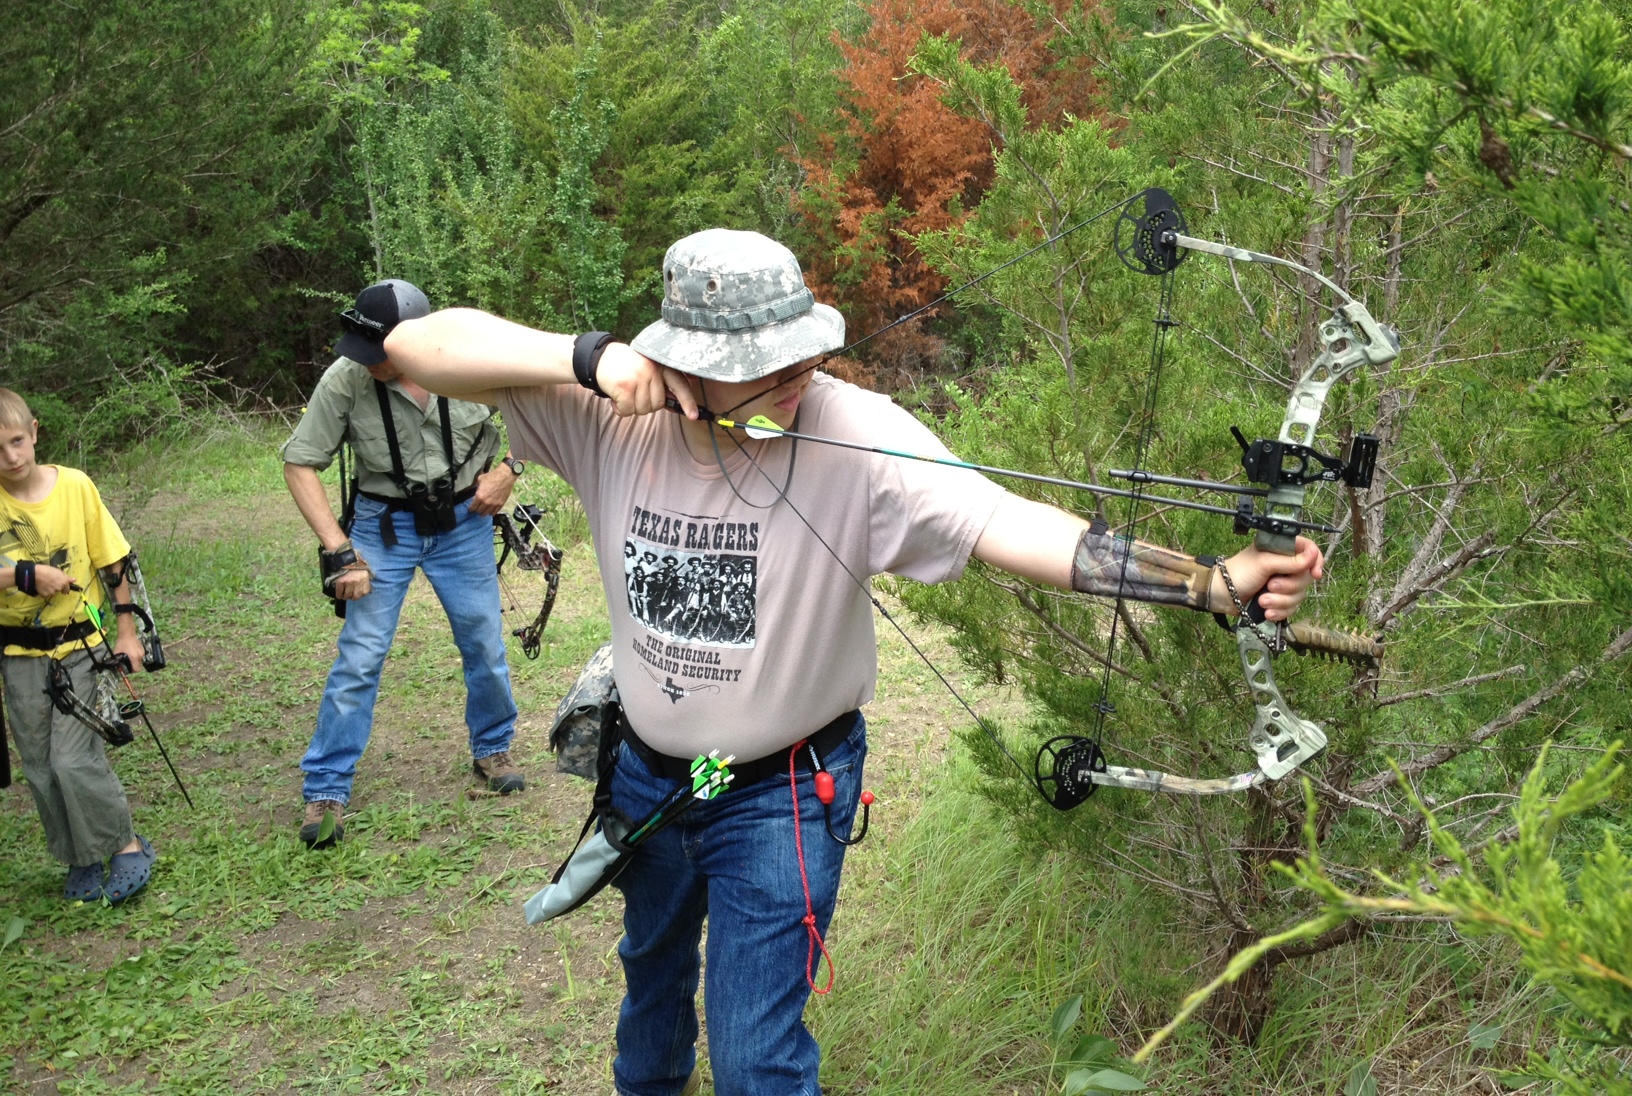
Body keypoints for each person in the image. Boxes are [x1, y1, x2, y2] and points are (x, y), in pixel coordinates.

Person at [385, 229, 1324, 1096]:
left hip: (780, 793)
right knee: (650, 1007)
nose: (797, 375)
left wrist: (1209, 583)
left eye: (803, 351)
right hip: (647, 780)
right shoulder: (607, 415)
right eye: (763, 366)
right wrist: (587, 357)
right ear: (687, 362)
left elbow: (1008, 523)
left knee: (756, 1054)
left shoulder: (852, 429)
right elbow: (414, 347)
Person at [282, 279, 531, 847]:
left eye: (382, 354)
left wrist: (509, 469)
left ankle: (492, 751)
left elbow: (539, 414)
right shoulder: (346, 378)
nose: (368, 364)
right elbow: (300, 464)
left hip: (465, 519)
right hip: (383, 526)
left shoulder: (474, 366)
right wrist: (339, 550)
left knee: (483, 642)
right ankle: (326, 788)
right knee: (361, 657)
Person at [0, 388, 159, 903]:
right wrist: (24, 575)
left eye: (18, 441)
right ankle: (80, 856)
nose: (11, 458)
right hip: (19, 655)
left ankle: (126, 845)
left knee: (74, 759)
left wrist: (128, 633)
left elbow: (113, 563)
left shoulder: (74, 486)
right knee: (40, 765)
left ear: (35, 431)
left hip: (80, 647)